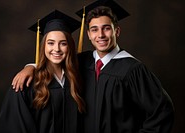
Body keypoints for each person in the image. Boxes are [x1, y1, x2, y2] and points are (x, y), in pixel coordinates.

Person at [11, 1, 175, 133]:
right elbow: (56, 59)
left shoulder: (132, 69)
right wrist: (31, 67)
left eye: (106, 29)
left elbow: (162, 110)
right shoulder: (83, 61)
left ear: (116, 31)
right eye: (94, 30)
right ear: (88, 34)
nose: (101, 35)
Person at [0, 10, 85, 133]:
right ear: (43, 46)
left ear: (70, 47)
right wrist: (30, 67)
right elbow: (15, 125)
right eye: (51, 43)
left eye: (63, 44)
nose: (57, 49)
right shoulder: (26, 83)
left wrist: (31, 66)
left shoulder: (77, 78)